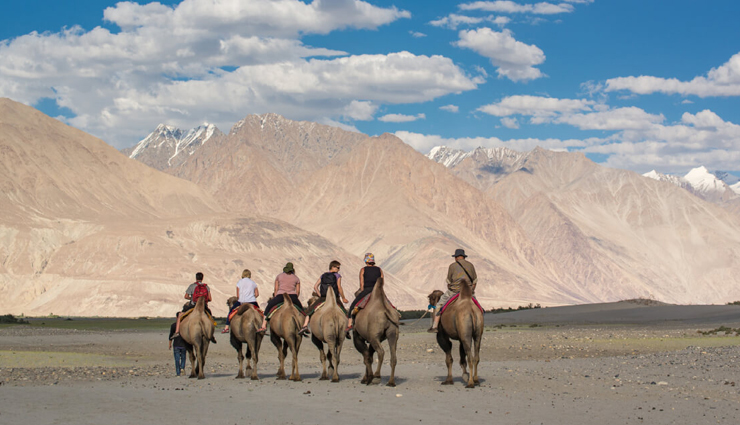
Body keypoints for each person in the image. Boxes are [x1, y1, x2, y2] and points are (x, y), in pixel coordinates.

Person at [428, 249, 477, 333]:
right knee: (478, 307)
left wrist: (451, 287)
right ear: (464, 257)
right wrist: (471, 291)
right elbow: (474, 281)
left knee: (439, 305)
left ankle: (435, 326)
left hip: (454, 291)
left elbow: (449, 282)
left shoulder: (452, 266)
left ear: (456, 257)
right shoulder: (470, 265)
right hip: (468, 292)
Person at [300, 260, 349, 335]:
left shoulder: (323, 275)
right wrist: (343, 298)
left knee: (309, 311)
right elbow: (339, 287)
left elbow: (315, 286)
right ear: (333, 267)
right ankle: (347, 329)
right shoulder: (337, 276)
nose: (339, 270)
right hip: (334, 298)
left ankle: (305, 326)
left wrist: (320, 295)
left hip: (323, 298)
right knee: (345, 312)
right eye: (338, 268)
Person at [257, 262, 304, 332]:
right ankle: (304, 326)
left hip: (281, 295)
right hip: (293, 297)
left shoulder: (279, 276)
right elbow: (298, 292)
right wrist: (295, 298)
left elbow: (276, 289)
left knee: (268, 307)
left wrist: (276, 297)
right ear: (292, 269)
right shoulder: (296, 278)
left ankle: (263, 326)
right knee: (302, 311)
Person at [346, 253, 384, 333]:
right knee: (388, 304)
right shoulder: (379, 269)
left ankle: (349, 325)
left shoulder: (363, 270)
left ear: (366, 261)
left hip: (367, 289)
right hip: (378, 290)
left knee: (353, 306)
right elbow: (382, 281)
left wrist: (362, 292)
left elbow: (362, 284)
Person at [172, 272, 212, 338]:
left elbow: (186, 296)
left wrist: (192, 298)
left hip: (193, 306)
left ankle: (177, 332)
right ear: (202, 278)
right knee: (210, 317)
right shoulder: (206, 287)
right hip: (203, 306)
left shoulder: (192, 286)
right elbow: (210, 299)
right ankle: (211, 334)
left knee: (180, 315)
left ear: (196, 278)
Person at [222, 269, 260, 333]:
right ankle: (263, 326)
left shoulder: (239, 282)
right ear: (249, 275)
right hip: (252, 302)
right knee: (260, 313)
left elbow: (238, 296)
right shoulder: (253, 283)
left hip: (241, 302)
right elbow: (257, 294)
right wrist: (251, 296)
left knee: (231, 312)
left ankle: (226, 327)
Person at [168, 312, 187, 376]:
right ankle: (182, 368)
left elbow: (171, 336)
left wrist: (169, 344)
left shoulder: (173, 325)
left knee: (177, 359)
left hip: (177, 345)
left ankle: (178, 372)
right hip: (183, 345)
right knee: (183, 358)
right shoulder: (185, 325)